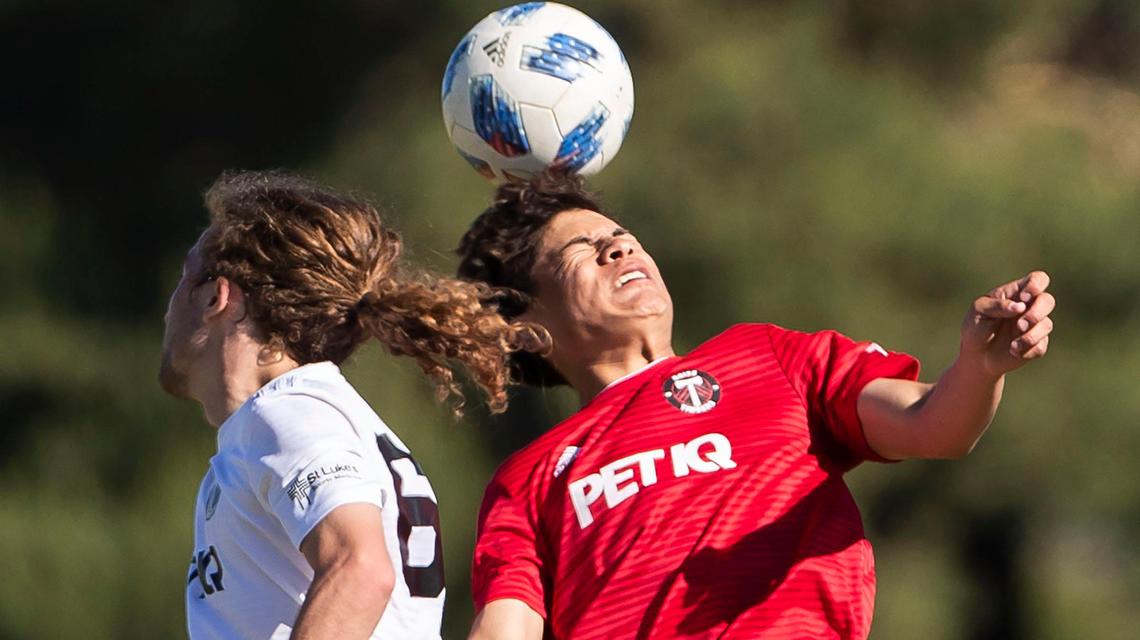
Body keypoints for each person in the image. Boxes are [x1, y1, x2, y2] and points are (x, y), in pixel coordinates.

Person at [455, 172, 1056, 640]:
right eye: (581, 253)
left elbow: (935, 427)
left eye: (621, 239)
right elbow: (507, 624)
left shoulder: (768, 356)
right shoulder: (529, 478)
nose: (617, 251)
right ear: (527, 326)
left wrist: (978, 367)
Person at [159, 170, 535, 639]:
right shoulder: (294, 414)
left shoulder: (287, 413)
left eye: (183, 276)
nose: (169, 305)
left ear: (218, 296)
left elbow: (360, 570)